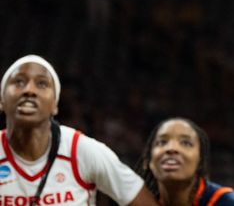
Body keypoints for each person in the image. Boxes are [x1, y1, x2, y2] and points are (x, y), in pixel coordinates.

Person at [0, 54, 158, 206]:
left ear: (55, 105)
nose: (29, 90)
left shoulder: (81, 150)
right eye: (19, 82)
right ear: (2, 101)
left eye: (42, 84)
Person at [138, 118, 234, 206]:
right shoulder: (135, 200)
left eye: (186, 143)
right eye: (162, 142)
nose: (172, 148)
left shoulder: (227, 202)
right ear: (148, 161)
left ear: (200, 161)